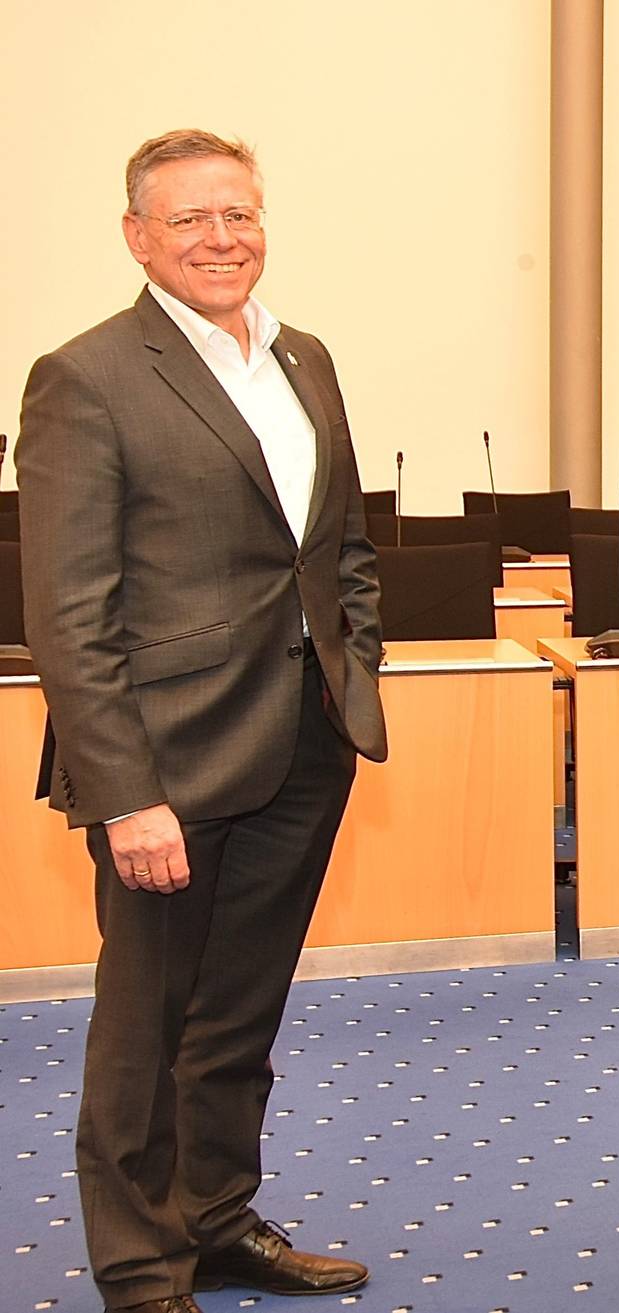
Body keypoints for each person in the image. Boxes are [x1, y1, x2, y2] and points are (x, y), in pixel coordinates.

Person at [16, 129, 388, 1313]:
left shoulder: (307, 357)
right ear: (137, 237)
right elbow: (68, 615)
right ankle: (140, 1267)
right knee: (146, 1033)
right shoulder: (85, 376)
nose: (221, 239)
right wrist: (124, 790)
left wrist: (355, 667)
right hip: (165, 768)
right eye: (188, 220)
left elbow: (340, 549)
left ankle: (218, 1217)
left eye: (238, 214)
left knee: (241, 1011)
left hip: (303, 746)